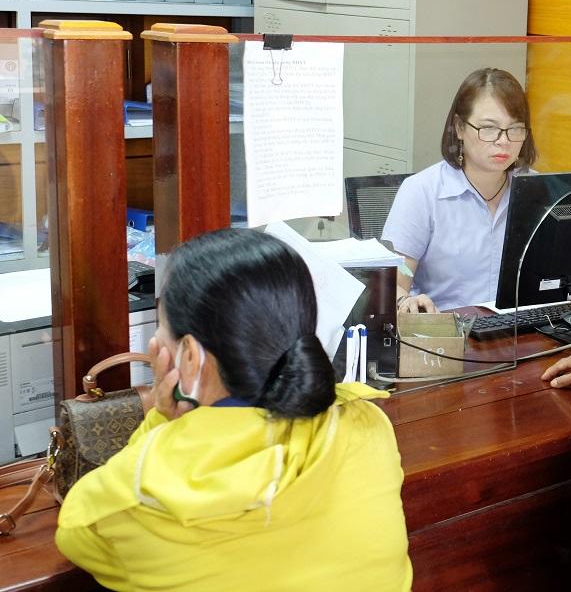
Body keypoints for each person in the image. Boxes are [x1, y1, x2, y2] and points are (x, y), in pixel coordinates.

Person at [56, 228, 413, 592]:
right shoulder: (368, 425)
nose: (155, 341)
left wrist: (161, 420)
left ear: (189, 357)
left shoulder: (140, 495)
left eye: (161, 326)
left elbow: (74, 530)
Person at [382, 67, 537, 313]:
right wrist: (405, 301)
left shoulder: (539, 192)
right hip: (447, 329)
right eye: (489, 128)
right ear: (459, 127)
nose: (503, 141)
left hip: (524, 329)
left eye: (515, 128)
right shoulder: (422, 192)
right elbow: (395, 282)